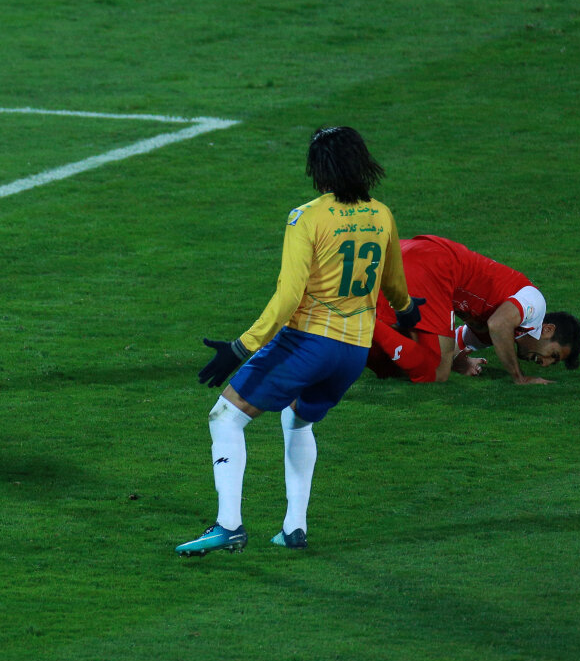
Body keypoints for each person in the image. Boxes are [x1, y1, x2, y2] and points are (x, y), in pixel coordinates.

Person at [175, 127, 422, 557]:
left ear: (318, 169)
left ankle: (229, 524)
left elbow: (288, 297)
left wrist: (241, 347)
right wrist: (406, 311)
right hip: (354, 353)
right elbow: (394, 282)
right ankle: (294, 528)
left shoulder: (306, 217)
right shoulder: (381, 215)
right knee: (299, 418)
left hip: (309, 343)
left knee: (225, 417)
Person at [365, 235, 580, 385]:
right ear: (547, 329)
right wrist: (520, 377)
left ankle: (357, 326)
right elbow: (498, 324)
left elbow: (452, 342)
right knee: (437, 372)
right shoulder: (535, 304)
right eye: (553, 355)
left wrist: (458, 359)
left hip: (412, 254)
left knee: (395, 366)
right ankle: (363, 321)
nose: (545, 364)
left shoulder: (492, 335)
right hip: (436, 268)